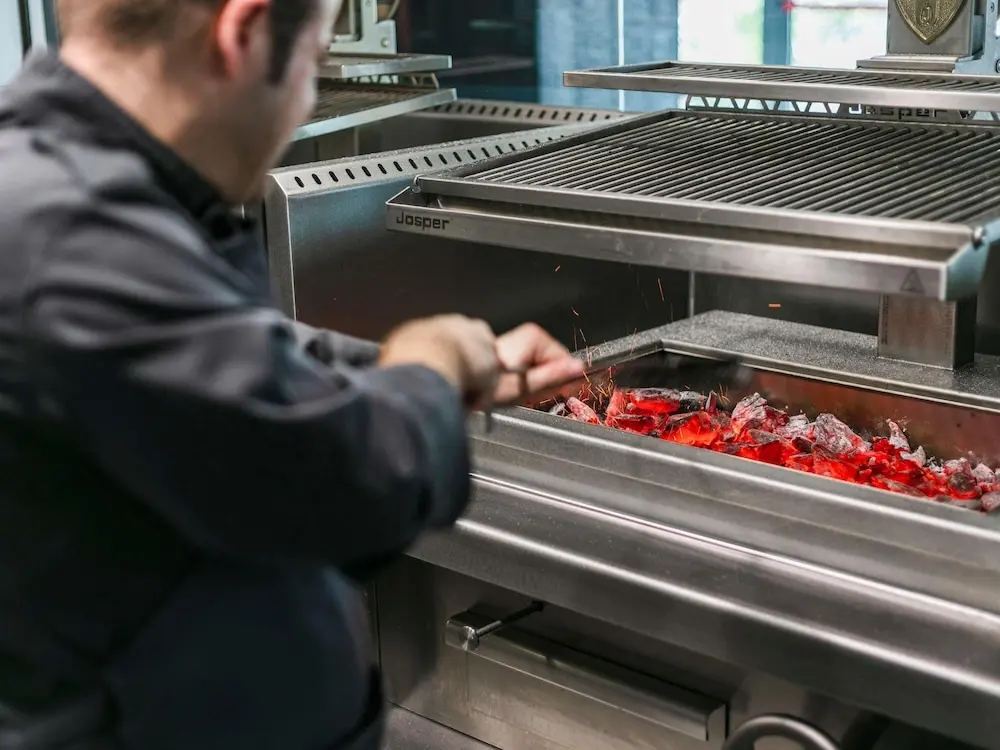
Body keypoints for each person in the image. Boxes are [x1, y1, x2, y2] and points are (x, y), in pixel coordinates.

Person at [0, 0, 585, 748]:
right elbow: (347, 486)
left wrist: (396, 371)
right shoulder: (71, 234)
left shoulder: (62, 180)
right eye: (314, 61)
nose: (306, 101)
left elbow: (223, 356)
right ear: (244, 31)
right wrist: (430, 370)